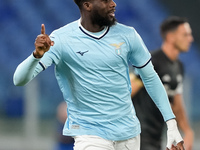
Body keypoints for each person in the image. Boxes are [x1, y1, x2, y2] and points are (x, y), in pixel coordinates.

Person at [13, 0, 184, 150]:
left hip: (129, 134)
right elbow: (19, 80)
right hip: (90, 134)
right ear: (87, 5)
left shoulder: (128, 35)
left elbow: (150, 78)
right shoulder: (61, 39)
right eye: (105, 0)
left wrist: (171, 123)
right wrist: (36, 56)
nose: (113, 4)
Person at [131, 16, 194, 150]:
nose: (190, 39)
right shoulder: (151, 62)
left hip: (157, 136)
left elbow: (176, 104)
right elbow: (128, 91)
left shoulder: (178, 67)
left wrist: (187, 131)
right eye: (185, 35)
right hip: (138, 136)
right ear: (171, 37)